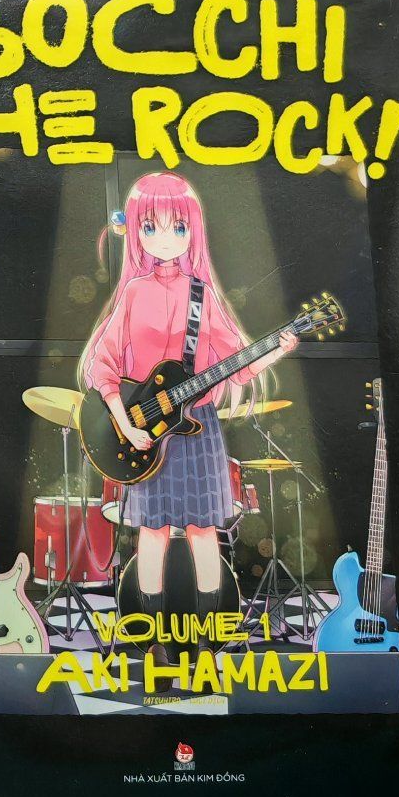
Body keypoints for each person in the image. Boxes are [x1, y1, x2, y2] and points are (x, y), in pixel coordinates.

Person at [79, 172, 298, 621]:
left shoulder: (203, 296)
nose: (164, 237)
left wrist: (277, 351)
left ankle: (207, 632)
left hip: (198, 428)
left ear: (192, 231)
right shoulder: (134, 293)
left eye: (177, 227)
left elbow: (238, 363)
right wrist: (126, 425)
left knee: (203, 532)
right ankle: (154, 636)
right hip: (144, 434)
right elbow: (102, 366)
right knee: (152, 534)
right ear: (136, 230)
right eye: (151, 226)